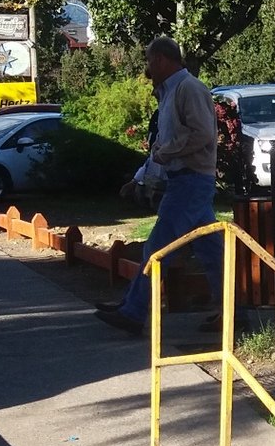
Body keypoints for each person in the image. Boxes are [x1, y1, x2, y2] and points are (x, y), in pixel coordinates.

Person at [96, 38, 226, 336]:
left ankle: (133, 312)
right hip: (187, 180)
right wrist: (141, 176)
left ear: (164, 60)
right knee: (212, 250)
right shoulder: (170, 93)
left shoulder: (189, 88)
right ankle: (235, 310)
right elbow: (162, 145)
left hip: (190, 180)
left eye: (150, 61)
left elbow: (202, 134)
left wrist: (167, 153)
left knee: (158, 248)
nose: (148, 68)